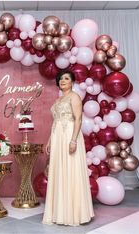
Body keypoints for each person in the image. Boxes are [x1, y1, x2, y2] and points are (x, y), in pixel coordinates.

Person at [42, 71, 94, 226]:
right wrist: (50, 141)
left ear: (72, 82)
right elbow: (55, 121)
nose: (63, 81)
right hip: (57, 137)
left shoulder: (74, 97)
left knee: (71, 170)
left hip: (69, 135)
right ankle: (59, 211)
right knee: (59, 171)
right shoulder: (58, 100)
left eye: (67, 78)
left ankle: (74, 213)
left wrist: (73, 141)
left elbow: (78, 119)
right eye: (61, 79)